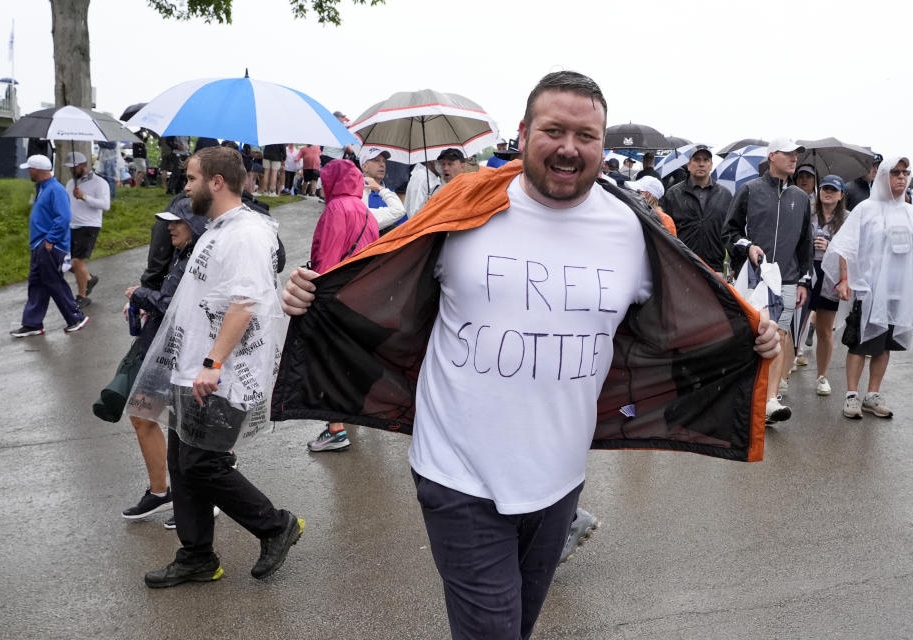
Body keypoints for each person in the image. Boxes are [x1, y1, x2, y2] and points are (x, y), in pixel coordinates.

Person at [275, 71, 780, 639]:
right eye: (554, 130)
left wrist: (754, 333)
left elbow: (697, 303)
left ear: (602, 144)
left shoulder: (635, 229)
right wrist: (311, 293)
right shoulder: (464, 204)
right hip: (456, 471)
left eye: (586, 135)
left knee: (517, 625)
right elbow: (379, 273)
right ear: (523, 132)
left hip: (560, 481)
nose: (569, 147)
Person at [131, 146, 302, 588]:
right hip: (191, 371)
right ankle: (196, 556)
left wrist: (213, 362)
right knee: (182, 463)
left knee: (203, 464)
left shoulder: (244, 233)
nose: (184, 187)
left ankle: (275, 525)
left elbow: (245, 303)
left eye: (190, 179)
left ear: (216, 182)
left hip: (219, 376)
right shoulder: (217, 229)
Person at [116, 198, 207, 524]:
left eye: (176, 221)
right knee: (141, 414)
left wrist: (140, 295)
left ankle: (203, 497)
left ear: (195, 225)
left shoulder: (200, 258)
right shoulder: (181, 253)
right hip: (162, 350)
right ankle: (160, 493)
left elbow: (179, 307)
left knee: (192, 429)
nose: (169, 227)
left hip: (187, 356)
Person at [724, 137, 812, 426]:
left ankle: (771, 400)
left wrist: (803, 280)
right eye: (787, 153)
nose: (793, 158)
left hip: (787, 279)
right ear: (772, 155)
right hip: (754, 279)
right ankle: (747, 397)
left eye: (796, 154)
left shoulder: (800, 198)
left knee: (780, 338)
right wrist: (747, 247)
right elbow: (729, 233)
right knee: (753, 338)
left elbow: (805, 243)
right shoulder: (749, 190)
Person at [822, 157, 913, 420]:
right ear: (883, 175)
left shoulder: (908, 212)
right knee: (860, 344)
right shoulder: (866, 209)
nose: (901, 177)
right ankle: (852, 395)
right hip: (868, 289)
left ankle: (872, 395)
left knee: (885, 345)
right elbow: (844, 246)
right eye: (895, 172)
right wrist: (844, 279)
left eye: (905, 173)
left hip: (897, 292)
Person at [305, 158, 380, 452]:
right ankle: (350, 412)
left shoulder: (336, 209)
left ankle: (335, 430)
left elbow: (328, 256)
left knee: (329, 362)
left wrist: (316, 290)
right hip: (362, 296)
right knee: (349, 361)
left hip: (336, 297)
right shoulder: (366, 211)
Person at [10, 155, 89, 337]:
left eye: (30, 169)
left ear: (37, 170)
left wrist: (51, 240)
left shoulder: (55, 189)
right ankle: (32, 323)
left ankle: (76, 317)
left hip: (49, 246)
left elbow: (63, 217)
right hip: (40, 245)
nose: (28, 172)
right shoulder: (43, 189)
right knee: (37, 284)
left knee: (54, 282)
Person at [659, 145, 733, 274]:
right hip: (683, 266)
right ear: (689, 165)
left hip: (715, 267)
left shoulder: (725, 195)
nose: (701, 164)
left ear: (711, 165)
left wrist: (735, 264)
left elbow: (730, 231)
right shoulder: (673, 194)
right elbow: (665, 231)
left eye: (706, 160)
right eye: (697, 160)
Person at [808, 174, 849, 397]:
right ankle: (783, 376)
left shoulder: (847, 218)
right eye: (824, 188)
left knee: (824, 330)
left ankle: (822, 376)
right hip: (807, 271)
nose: (828, 192)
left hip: (830, 275)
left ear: (841, 194)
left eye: (834, 189)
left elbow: (852, 248)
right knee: (796, 326)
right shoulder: (809, 215)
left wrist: (830, 244)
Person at [63, 151, 110, 309]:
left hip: (89, 225)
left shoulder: (99, 183)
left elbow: (105, 205)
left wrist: (84, 197)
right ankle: (88, 279)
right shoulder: (70, 183)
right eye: (70, 168)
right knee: (63, 262)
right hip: (71, 225)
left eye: (74, 167)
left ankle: (82, 296)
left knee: (77, 261)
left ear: (83, 166)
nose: (71, 170)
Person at [359, 146, 407, 230]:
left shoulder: (389, 192)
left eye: (384, 161)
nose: (382, 165)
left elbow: (403, 225)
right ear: (364, 166)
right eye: (376, 160)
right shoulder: (357, 191)